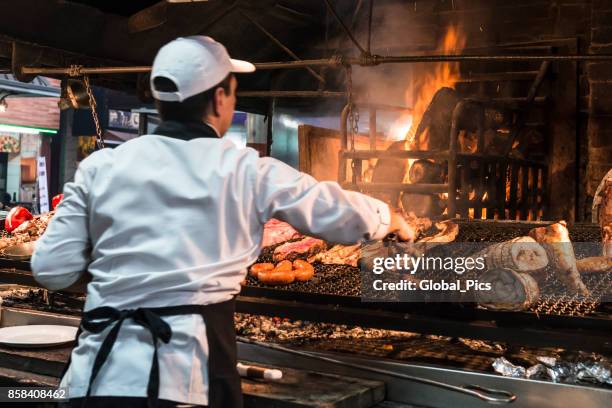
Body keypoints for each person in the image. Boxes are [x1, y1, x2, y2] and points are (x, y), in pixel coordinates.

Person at [31, 36, 415, 408]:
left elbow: (51, 269)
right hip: (188, 374)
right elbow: (332, 211)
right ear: (219, 99)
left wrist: (124, 281)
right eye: (232, 92)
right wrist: (389, 217)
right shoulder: (244, 169)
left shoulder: (101, 167)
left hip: (93, 375)